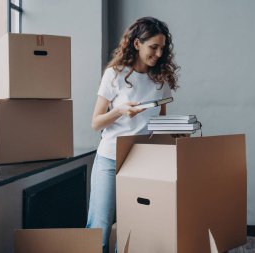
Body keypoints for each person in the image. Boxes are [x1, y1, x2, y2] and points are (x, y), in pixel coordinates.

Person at [86, 16, 179, 253]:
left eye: (162, 48)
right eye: (153, 47)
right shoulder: (114, 74)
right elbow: (96, 123)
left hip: (142, 163)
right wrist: (119, 111)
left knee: (134, 227)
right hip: (110, 158)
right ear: (137, 44)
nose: (158, 54)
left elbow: (160, 123)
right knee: (100, 227)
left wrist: (177, 132)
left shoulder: (161, 80)